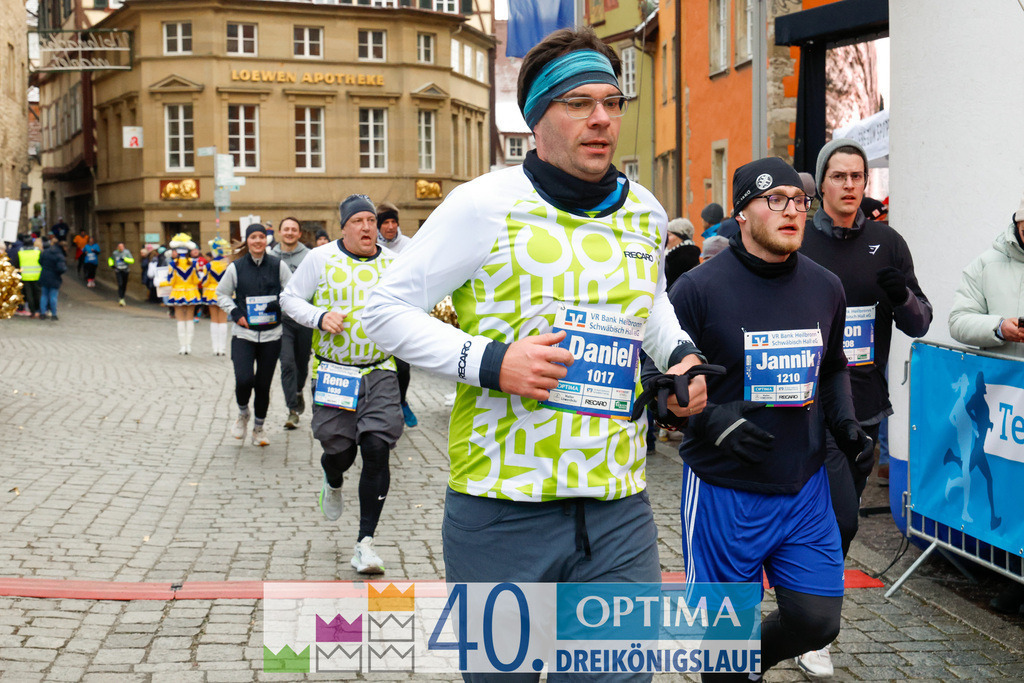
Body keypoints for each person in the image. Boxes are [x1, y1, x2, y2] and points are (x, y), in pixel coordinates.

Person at [363, 27, 708, 642]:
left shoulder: (646, 212)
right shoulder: (483, 205)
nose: (602, 118)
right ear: (537, 117)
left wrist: (680, 356)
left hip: (617, 510)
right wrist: (493, 362)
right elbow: (384, 308)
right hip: (501, 508)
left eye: (611, 102)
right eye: (578, 104)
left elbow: (647, 301)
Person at [666, 157, 872, 683]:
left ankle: (747, 661)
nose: (792, 211)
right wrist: (709, 419)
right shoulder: (697, 289)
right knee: (723, 643)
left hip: (803, 485)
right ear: (741, 214)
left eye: (799, 201)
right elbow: (660, 386)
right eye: (774, 200)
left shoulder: (825, 287)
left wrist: (846, 426)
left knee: (817, 621)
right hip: (723, 489)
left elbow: (832, 368)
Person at [797, 138, 932, 676]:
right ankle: (813, 628)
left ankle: (808, 610)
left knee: (842, 521)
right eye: (839, 176)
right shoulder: (799, 237)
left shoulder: (887, 243)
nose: (851, 185)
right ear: (821, 183)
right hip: (802, 403)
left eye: (858, 176)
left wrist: (899, 296)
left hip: (864, 406)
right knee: (831, 516)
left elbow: (919, 323)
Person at [281, 195, 405, 576]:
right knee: (341, 452)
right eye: (359, 221)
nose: (368, 227)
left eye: (372, 220)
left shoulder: (394, 264)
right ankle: (332, 478)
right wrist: (319, 317)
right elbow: (289, 299)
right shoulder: (320, 260)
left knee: (376, 448)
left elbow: (411, 305)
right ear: (344, 227)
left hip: (380, 369)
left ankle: (365, 543)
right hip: (335, 372)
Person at [216, 224, 292, 446]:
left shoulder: (279, 266)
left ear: (266, 240)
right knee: (244, 379)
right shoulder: (236, 267)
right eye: (253, 237)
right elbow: (221, 293)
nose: (258, 241)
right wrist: (236, 312)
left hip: (272, 335)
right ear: (247, 241)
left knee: (263, 384)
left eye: (261, 236)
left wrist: (280, 307)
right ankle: (243, 413)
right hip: (244, 334)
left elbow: (292, 293)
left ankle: (258, 428)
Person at [949, 193, 1024, 360]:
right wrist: (999, 328)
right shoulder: (986, 264)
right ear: (1017, 223)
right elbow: (958, 321)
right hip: (1001, 383)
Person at [375, 202, 417, 427]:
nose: (390, 227)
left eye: (394, 222)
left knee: (402, 365)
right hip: (377, 312)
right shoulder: (371, 246)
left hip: (402, 311)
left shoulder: (409, 245)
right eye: (385, 223)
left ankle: (402, 401)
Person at [271, 217, 313, 429]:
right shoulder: (271, 257)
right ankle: (292, 410)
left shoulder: (309, 257)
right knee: (287, 363)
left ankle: (298, 391)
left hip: (304, 319)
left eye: (293, 229)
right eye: (285, 229)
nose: (289, 232)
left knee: (302, 364)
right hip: (282, 320)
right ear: (280, 232)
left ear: (299, 234)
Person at [167, 233, 203, 354]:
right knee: (189, 318)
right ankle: (189, 346)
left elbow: (170, 281)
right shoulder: (194, 263)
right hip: (191, 292)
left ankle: (182, 346)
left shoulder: (172, 264)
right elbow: (197, 280)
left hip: (177, 292)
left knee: (180, 320)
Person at [201, 237, 232, 355]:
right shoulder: (228, 265)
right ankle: (222, 349)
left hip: (211, 292)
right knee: (223, 320)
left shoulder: (209, 265)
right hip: (225, 292)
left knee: (214, 319)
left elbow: (204, 282)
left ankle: (215, 348)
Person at [664, 217, 700, 287]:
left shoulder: (676, 260)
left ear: (680, 236)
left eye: (669, 235)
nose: (666, 239)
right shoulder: (692, 255)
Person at [39, 236, 67, 321]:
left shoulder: (45, 252)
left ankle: (43, 313)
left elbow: (40, 261)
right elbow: (61, 268)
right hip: (54, 277)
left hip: (44, 275)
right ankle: (54, 314)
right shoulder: (59, 255)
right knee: (53, 296)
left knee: (44, 295)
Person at [15, 238, 43, 317]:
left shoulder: (20, 252)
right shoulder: (38, 252)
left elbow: (17, 264)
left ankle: (32, 311)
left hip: (25, 276)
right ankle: (38, 309)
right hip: (37, 276)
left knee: (29, 294)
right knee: (38, 294)